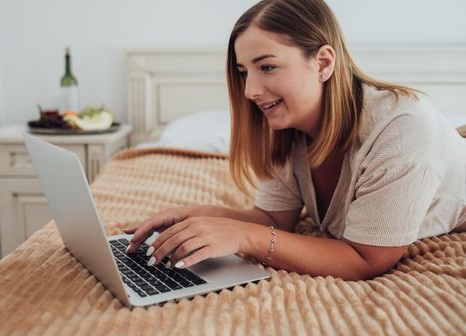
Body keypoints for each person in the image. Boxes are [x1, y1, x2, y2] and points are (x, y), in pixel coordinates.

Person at [124, 0, 466, 280]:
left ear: (323, 62)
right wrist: (194, 218)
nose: (250, 91)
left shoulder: (403, 132)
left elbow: (365, 259)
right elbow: (273, 220)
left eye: (267, 67)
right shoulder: (289, 128)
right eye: (244, 72)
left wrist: (245, 237)